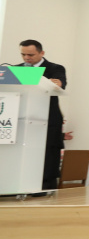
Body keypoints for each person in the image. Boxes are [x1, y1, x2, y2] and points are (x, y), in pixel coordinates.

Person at [18, 40, 67, 190]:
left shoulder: (55, 68)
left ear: (41, 53)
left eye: (31, 54)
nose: (26, 58)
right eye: (23, 54)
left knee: (48, 155)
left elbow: (60, 84)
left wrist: (57, 83)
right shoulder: (16, 70)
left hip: (48, 120)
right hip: (22, 120)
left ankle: (45, 188)